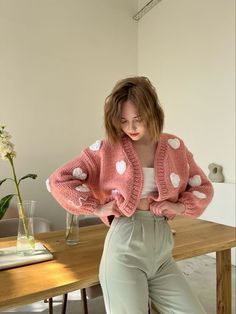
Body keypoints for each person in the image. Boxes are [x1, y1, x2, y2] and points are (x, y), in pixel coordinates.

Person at [48, 76, 214, 314]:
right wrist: (97, 208)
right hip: (124, 250)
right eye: (123, 121)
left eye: (138, 120)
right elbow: (59, 180)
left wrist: (179, 207)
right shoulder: (107, 148)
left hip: (163, 254)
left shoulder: (175, 146)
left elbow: (203, 187)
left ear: (153, 113)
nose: (131, 128)